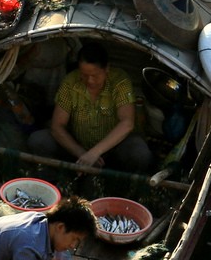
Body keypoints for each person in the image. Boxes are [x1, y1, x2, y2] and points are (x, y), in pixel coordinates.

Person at [28, 41, 152, 172]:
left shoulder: (120, 81)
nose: (90, 81)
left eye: (95, 75)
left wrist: (95, 152)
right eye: (84, 75)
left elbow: (127, 123)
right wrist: (82, 154)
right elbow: (57, 126)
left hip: (113, 148)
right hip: (77, 147)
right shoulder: (70, 82)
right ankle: (57, 180)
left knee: (140, 153)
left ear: (107, 69)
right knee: (39, 140)